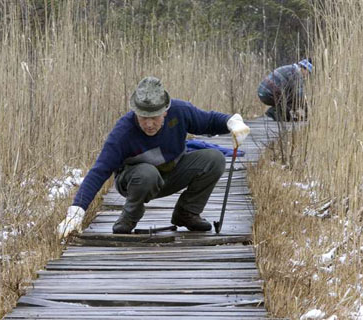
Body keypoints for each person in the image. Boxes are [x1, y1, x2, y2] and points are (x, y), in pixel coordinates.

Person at [57, 76, 250, 236]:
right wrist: (75, 212)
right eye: (143, 118)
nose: (149, 124)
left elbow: (209, 121)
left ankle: (187, 213)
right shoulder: (123, 132)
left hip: (172, 172)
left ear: (165, 112)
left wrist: (233, 123)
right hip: (137, 181)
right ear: (135, 113)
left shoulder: (180, 112)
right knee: (147, 174)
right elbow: (99, 171)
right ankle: (130, 216)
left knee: (214, 159)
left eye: (154, 117)